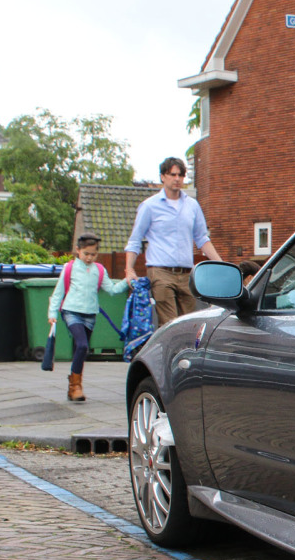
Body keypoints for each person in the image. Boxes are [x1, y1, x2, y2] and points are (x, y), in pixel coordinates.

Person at [125, 157, 222, 326]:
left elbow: (201, 238)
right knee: (170, 323)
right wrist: (129, 269)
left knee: (191, 323)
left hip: (186, 273)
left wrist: (220, 264)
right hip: (161, 272)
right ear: (163, 177)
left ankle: (182, 352)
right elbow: (135, 240)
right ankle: (170, 351)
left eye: (181, 175)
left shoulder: (192, 205)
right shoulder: (149, 206)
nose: (177, 179)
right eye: (173, 174)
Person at [48, 232, 130, 402]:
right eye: (86, 254)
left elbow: (112, 290)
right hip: (71, 311)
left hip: (90, 315)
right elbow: (58, 292)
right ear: (78, 250)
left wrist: (128, 281)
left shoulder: (99, 270)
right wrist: (52, 313)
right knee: (83, 345)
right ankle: (75, 386)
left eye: (93, 254)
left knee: (82, 349)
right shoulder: (69, 268)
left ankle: (74, 384)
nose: (89, 258)